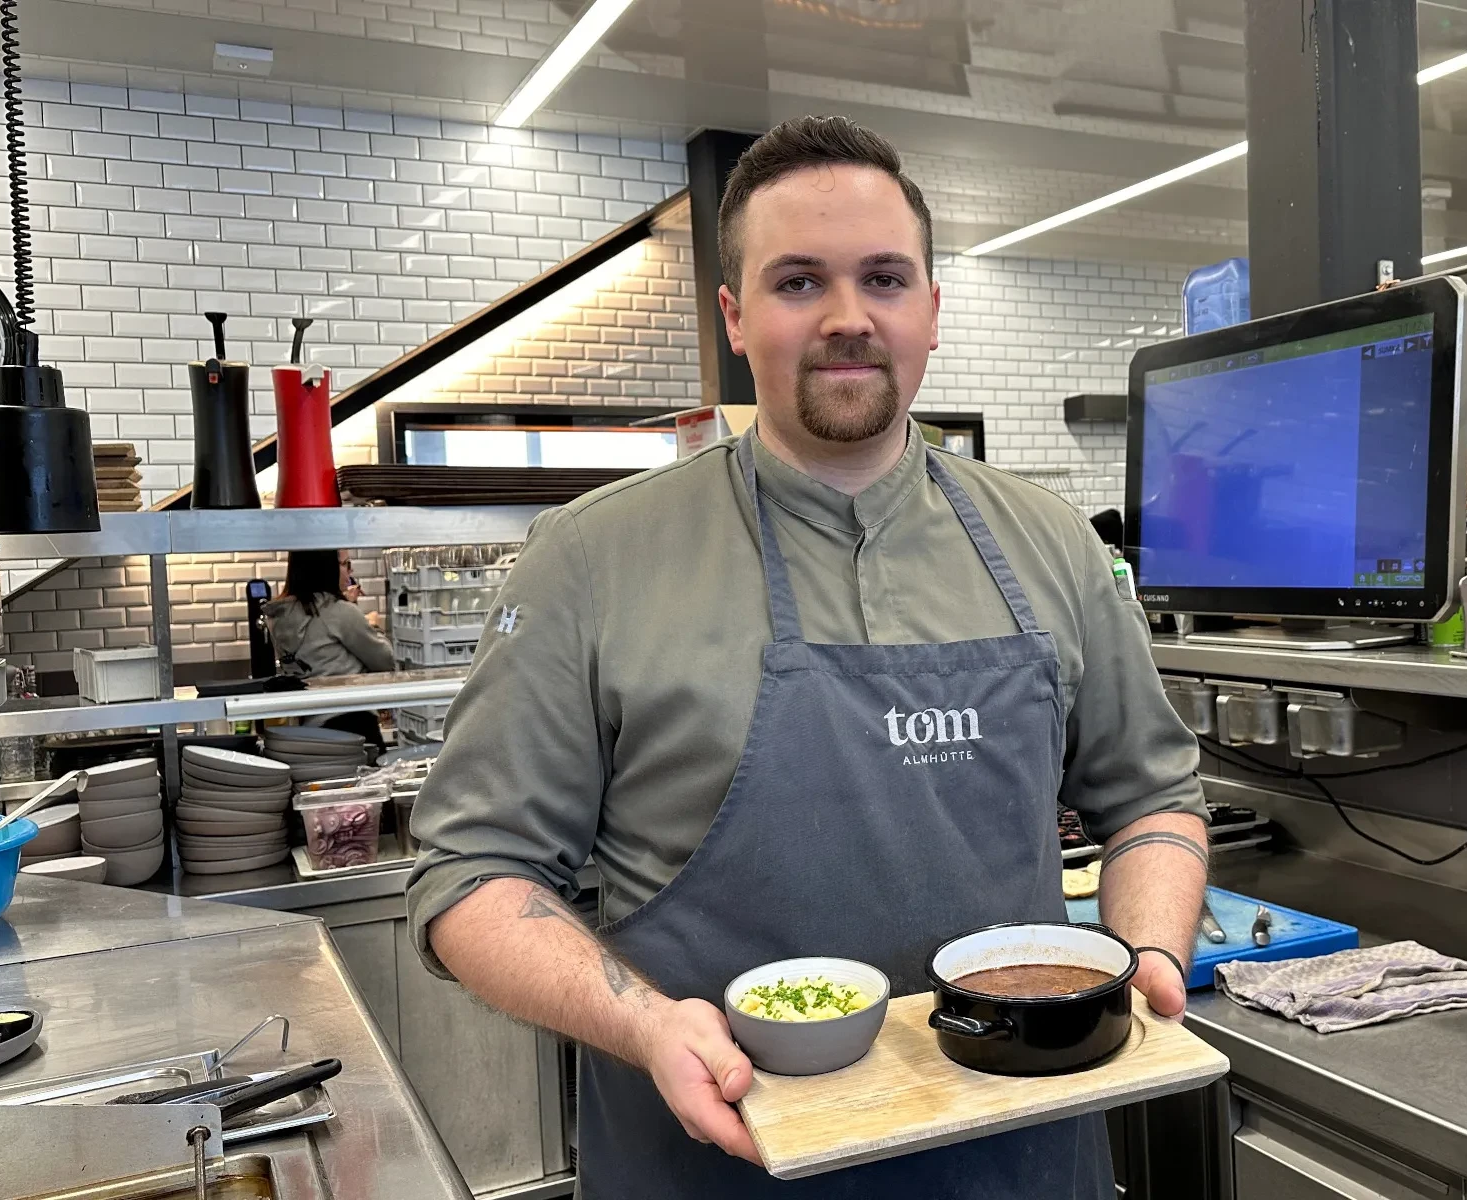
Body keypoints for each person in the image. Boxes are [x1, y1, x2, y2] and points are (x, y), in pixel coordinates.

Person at [407, 115, 1208, 1198]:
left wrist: (1143, 957)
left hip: (1016, 1153)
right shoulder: (590, 557)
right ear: (734, 317)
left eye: (884, 278)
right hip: (715, 1155)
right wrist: (643, 1025)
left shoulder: (1053, 545)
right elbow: (470, 879)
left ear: (931, 310)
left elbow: (1152, 800)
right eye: (797, 283)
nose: (846, 318)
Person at [265, 549, 395, 743]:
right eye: (346, 564)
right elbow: (386, 660)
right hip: (354, 724)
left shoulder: (279, 617)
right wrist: (372, 625)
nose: (350, 572)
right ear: (326, 567)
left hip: (310, 731)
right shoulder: (339, 613)